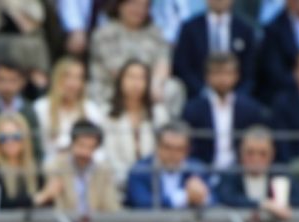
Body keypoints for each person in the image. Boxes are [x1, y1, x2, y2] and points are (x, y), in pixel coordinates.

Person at [89, 0, 180, 113]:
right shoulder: (104, 34)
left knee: (173, 88)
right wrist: (142, 86)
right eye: (134, 4)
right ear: (120, 6)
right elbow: (117, 71)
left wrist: (156, 84)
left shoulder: (155, 33)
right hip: (112, 87)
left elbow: (163, 62)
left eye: (144, 6)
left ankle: (164, 127)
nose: (139, 10)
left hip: (150, 89)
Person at [181, 52, 267, 171]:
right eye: (217, 73)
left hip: (240, 172)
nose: (222, 79)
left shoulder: (251, 109)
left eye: (227, 73)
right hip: (202, 171)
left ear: (236, 76)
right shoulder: (192, 110)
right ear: (207, 76)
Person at [102, 60, 171, 190]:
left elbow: (163, 152)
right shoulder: (106, 114)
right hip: (117, 182)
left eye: (141, 78)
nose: (136, 83)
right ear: (120, 80)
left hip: (153, 182)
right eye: (131, 77)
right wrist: (129, 179)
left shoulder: (159, 113)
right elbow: (108, 154)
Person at [213, 125, 299, 216]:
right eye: (250, 153)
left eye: (263, 154)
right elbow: (226, 198)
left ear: (272, 154)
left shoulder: (281, 175)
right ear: (240, 152)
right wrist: (263, 204)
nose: (256, 159)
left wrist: (279, 205)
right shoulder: (230, 174)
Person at [173, 0, 258, 99]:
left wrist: (236, 97)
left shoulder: (245, 30)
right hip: (197, 96)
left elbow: (251, 70)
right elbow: (183, 67)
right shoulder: (190, 29)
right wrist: (203, 92)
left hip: (238, 98)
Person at [39, 120, 120, 215]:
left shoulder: (103, 171)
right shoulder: (55, 167)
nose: (85, 152)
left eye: (91, 148)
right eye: (81, 145)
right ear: (72, 142)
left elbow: (112, 208)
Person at [125, 121, 212, 209]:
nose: (173, 154)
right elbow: (141, 203)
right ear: (157, 147)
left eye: (179, 149)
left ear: (187, 150)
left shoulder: (198, 170)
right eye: (167, 147)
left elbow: (215, 200)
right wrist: (183, 198)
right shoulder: (140, 170)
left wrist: (202, 195)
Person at [0, 0, 51, 91]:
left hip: (26, 41)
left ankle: (38, 87)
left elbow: (35, 23)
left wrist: (17, 12)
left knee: (37, 46)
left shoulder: (29, 4)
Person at [33, 57, 105, 157]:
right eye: (67, 77)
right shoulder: (41, 108)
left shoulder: (91, 109)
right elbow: (38, 148)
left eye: (78, 77)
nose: (73, 84)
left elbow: (99, 150)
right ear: (57, 79)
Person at [0, 112, 42, 211]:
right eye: (3, 138)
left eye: (16, 136)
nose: (10, 142)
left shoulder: (35, 167)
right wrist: (36, 199)